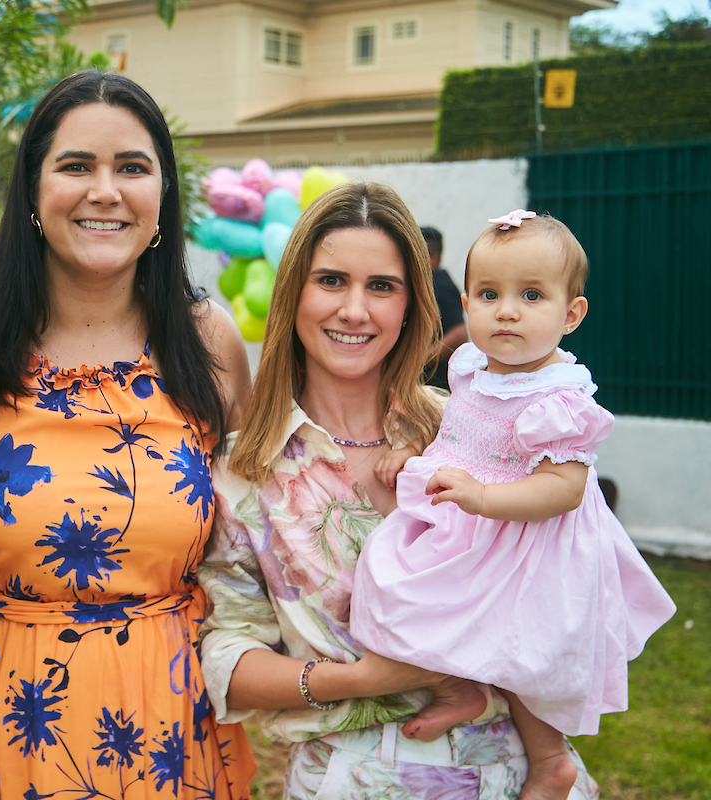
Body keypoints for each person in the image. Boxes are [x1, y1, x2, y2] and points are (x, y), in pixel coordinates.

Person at [198, 184, 601, 799]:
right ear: (292, 296)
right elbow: (228, 655)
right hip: (353, 775)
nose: (355, 310)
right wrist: (364, 679)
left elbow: (567, 562)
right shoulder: (243, 468)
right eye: (331, 280)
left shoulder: (472, 429)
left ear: (412, 304)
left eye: (381, 286)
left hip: (517, 771)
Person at [0, 70, 255, 799]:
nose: (104, 191)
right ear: (33, 190)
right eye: (76, 166)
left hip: (171, 726)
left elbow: (260, 542)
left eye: (132, 168)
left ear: (163, 195)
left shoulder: (207, 340)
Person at [350, 210, 676, 799]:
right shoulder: (473, 365)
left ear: (571, 314)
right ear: (466, 303)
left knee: (527, 653)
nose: (507, 310)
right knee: (399, 587)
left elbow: (565, 488)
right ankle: (458, 690)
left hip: (531, 539)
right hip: (471, 524)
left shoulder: (558, 397)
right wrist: (415, 448)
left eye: (531, 295)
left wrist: (485, 497)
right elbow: (468, 428)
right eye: (489, 294)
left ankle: (551, 761)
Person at [421, 226, 466, 390]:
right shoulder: (429, 284)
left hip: (436, 386)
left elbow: (460, 334)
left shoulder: (440, 285)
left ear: (434, 256)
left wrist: (421, 360)